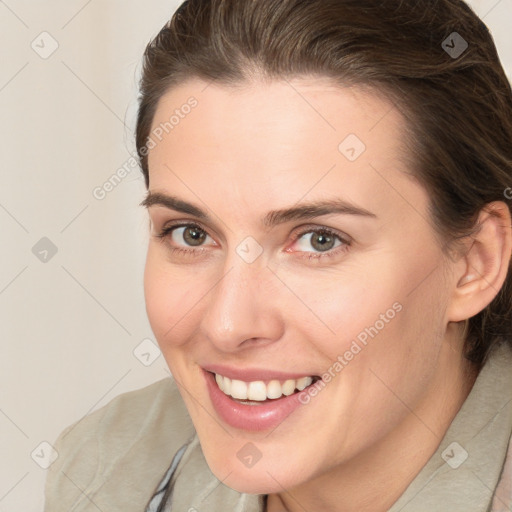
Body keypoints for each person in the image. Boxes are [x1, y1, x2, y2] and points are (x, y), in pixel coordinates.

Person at [44, 0, 512, 510]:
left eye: (319, 240)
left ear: (474, 262)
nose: (228, 324)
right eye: (191, 234)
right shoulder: (104, 472)